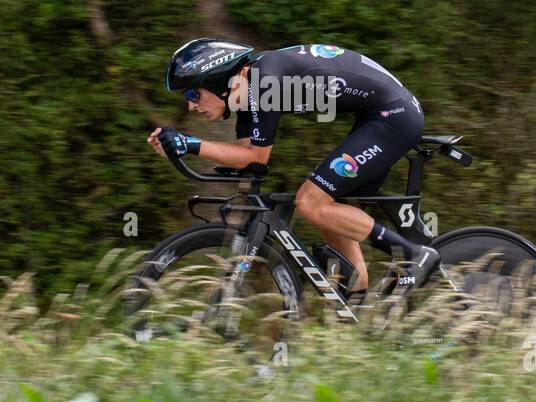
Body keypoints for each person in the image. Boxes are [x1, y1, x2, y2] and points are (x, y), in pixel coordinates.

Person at [148, 37, 439, 299]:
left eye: (192, 95)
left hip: (394, 116)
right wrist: (182, 146)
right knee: (329, 206)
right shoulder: (248, 94)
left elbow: (255, 159)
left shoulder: (264, 81)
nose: (191, 107)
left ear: (216, 81)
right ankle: (358, 305)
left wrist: (190, 143)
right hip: (376, 116)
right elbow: (245, 158)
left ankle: (413, 256)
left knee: (310, 202)